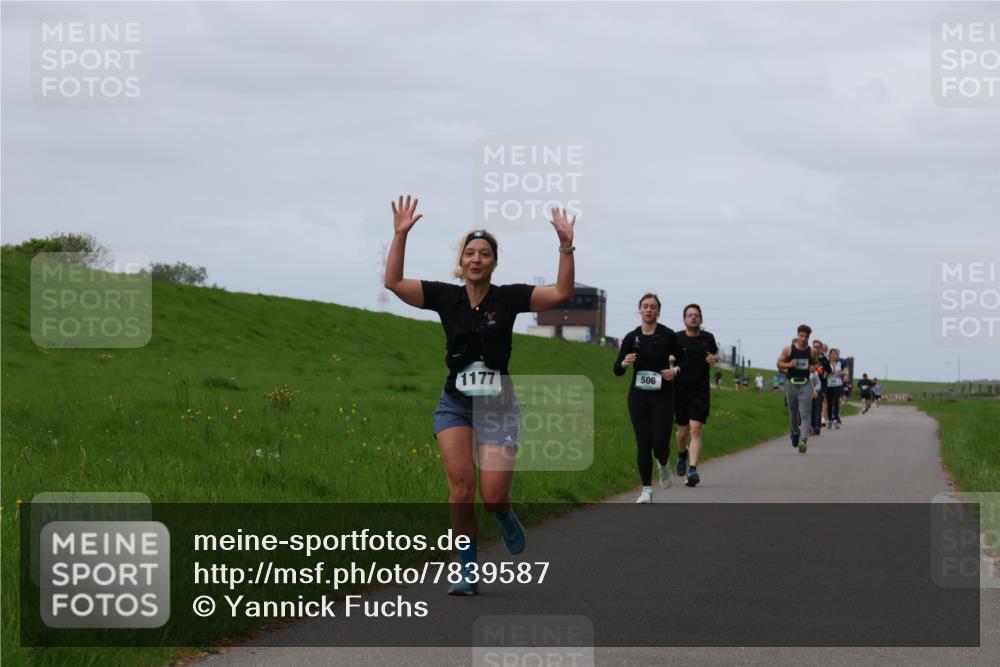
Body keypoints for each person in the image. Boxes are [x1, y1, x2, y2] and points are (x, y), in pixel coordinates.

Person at [383, 195, 576, 595]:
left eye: (484, 254)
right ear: (462, 260)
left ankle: (504, 515)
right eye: (470, 253)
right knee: (461, 490)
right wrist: (400, 235)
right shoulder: (445, 297)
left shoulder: (508, 298)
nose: (476, 259)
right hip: (455, 403)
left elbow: (560, 294)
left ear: (493, 261)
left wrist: (565, 245)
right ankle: (467, 570)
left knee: (491, 498)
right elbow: (394, 284)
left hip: (498, 408)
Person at [614, 294, 687, 502]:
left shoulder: (668, 335)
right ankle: (646, 489)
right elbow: (617, 370)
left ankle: (663, 463)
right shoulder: (631, 338)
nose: (648, 310)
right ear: (640, 310)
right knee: (643, 442)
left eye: (652, 307)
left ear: (658, 311)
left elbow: (685, 360)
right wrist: (625, 364)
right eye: (645, 306)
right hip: (638, 396)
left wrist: (676, 370)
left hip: (663, 395)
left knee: (660, 442)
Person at [673, 304, 719, 488]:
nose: (693, 317)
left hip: (700, 389)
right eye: (690, 315)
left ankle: (693, 470)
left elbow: (714, 353)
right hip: (680, 389)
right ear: (684, 319)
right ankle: (682, 454)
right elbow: (666, 355)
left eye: (697, 315)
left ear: (701, 319)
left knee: (695, 429)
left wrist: (714, 358)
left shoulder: (708, 338)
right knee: (682, 432)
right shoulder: (676, 338)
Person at [777, 324, 819, 453]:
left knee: (805, 414)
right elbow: (779, 363)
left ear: (808, 337)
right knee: (793, 413)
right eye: (801, 336)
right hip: (791, 384)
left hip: (806, 385)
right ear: (797, 335)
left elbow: (816, 363)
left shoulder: (811, 351)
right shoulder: (788, 350)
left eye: (806, 336)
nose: (803, 339)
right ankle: (795, 432)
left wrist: (813, 368)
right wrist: (790, 364)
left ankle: (803, 441)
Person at [825, 348, 846, 428]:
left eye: (835, 354)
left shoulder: (840, 363)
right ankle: (830, 419)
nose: (834, 355)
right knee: (829, 403)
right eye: (832, 354)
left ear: (837, 355)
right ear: (829, 355)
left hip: (837, 385)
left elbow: (846, 372)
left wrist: (840, 372)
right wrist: (829, 372)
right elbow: (824, 373)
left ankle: (836, 419)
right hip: (829, 385)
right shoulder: (827, 363)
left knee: (836, 402)